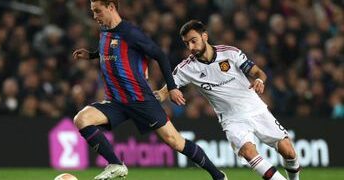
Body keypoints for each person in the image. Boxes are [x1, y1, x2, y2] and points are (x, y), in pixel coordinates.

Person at [72, 1, 227, 180]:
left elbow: (160, 55)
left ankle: (218, 176)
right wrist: (91, 54)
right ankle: (116, 164)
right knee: (81, 119)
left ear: (111, 7)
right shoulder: (105, 32)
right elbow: (111, 51)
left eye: (97, 11)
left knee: (175, 142)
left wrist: (172, 87)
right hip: (117, 101)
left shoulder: (130, 33)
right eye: (93, 12)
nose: (94, 16)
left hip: (140, 100)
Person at [155, 20, 301, 180]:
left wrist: (259, 80)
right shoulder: (187, 68)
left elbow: (259, 72)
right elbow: (165, 90)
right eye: (186, 43)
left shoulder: (230, 53)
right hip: (232, 120)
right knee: (248, 152)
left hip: (256, 108)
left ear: (204, 36)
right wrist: (157, 96)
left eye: (193, 41)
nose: (190, 47)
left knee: (289, 152)